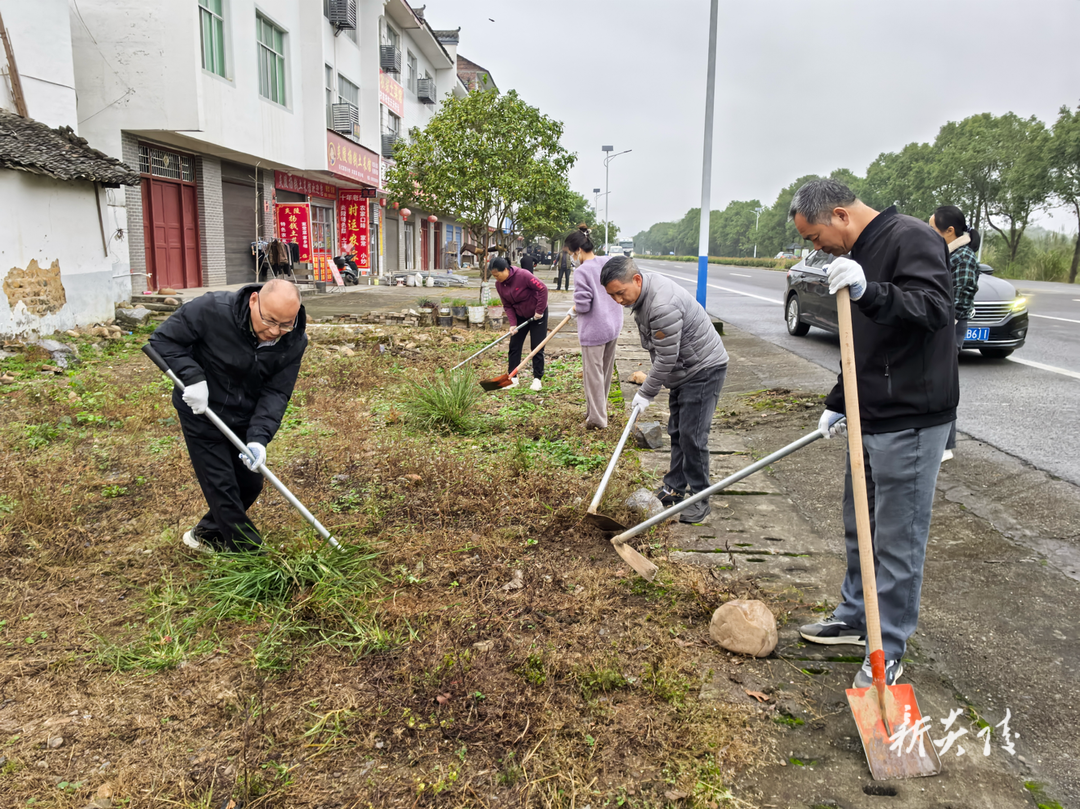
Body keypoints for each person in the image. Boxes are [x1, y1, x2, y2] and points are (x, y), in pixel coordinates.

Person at [790, 179, 958, 689]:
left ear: (840, 215)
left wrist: (870, 290)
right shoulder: (856, 251)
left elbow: (933, 308)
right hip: (868, 412)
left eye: (816, 237)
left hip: (910, 415)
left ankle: (889, 646)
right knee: (857, 522)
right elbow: (858, 341)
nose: (816, 249)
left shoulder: (911, 239)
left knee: (897, 540)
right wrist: (839, 402)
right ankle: (855, 615)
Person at [148, 279, 308, 553]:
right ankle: (252, 556)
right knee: (221, 484)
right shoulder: (211, 309)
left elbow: (276, 393)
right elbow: (162, 340)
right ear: (254, 301)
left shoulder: (293, 340)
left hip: (243, 413)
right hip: (203, 410)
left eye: (285, 324)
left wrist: (258, 438)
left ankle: (204, 535)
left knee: (250, 482)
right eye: (269, 320)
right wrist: (193, 377)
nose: (274, 331)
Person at [600, 256, 728, 523]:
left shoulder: (662, 305)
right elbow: (661, 353)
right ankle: (674, 487)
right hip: (683, 369)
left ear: (636, 280)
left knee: (693, 436)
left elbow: (667, 357)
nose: (618, 301)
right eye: (612, 296)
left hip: (703, 369)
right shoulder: (643, 295)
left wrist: (646, 392)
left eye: (620, 293)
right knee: (677, 430)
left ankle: (700, 497)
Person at [929, 205, 980, 462]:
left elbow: (962, 297)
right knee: (937, 381)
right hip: (943, 323)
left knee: (943, 383)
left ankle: (946, 445)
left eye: (932, 228)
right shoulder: (949, 253)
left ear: (949, 231)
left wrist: (945, 323)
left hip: (951, 325)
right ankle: (939, 442)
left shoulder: (963, 257)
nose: (929, 233)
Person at [567, 226, 623, 430]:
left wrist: (574, 309)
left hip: (595, 330)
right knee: (605, 374)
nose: (572, 258)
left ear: (578, 251)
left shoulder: (582, 271)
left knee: (593, 377)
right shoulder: (607, 261)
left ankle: (597, 420)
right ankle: (595, 411)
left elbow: (584, 305)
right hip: (613, 325)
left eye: (571, 254)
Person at [490, 256, 549, 391]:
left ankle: (537, 379)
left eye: (497, 275)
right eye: (494, 276)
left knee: (537, 346)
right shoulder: (499, 285)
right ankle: (512, 378)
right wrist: (512, 324)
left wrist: (539, 311)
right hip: (519, 315)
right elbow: (507, 305)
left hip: (537, 314)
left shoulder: (523, 275)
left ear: (505, 269)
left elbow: (543, 289)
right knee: (514, 345)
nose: (496, 278)